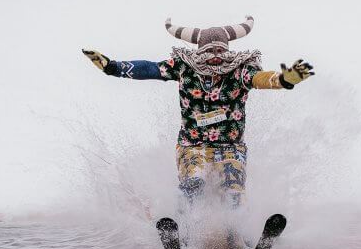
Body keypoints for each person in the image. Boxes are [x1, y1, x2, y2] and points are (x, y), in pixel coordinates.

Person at [82, 16, 314, 211]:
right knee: (194, 183)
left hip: (231, 147)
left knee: (233, 189)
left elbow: (259, 79)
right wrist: (113, 67)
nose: (215, 56)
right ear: (199, 50)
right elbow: (150, 68)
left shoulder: (240, 70)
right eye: (209, 50)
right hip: (192, 145)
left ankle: (241, 232)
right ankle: (182, 229)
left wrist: (283, 80)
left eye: (220, 50)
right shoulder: (183, 67)